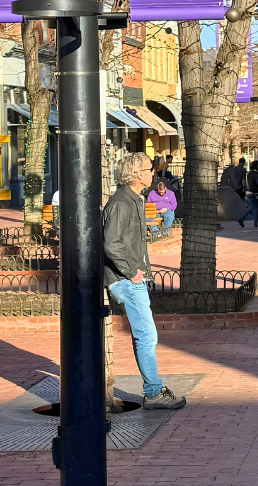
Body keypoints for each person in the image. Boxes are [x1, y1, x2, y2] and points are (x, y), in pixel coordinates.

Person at [102, 152, 186, 410]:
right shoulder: (121, 203)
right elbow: (111, 243)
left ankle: (152, 389)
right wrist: (132, 272)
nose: (154, 173)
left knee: (146, 335)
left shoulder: (132, 200)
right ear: (137, 173)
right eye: (150, 169)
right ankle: (152, 393)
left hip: (131, 277)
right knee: (146, 335)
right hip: (126, 279)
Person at [239, 160, 258, 228]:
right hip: (255, 193)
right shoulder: (256, 174)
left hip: (248, 193)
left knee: (251, 207)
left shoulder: (249, 173)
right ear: (256, 166)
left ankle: (241, 218)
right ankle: (255, 223)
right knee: (256, 208)